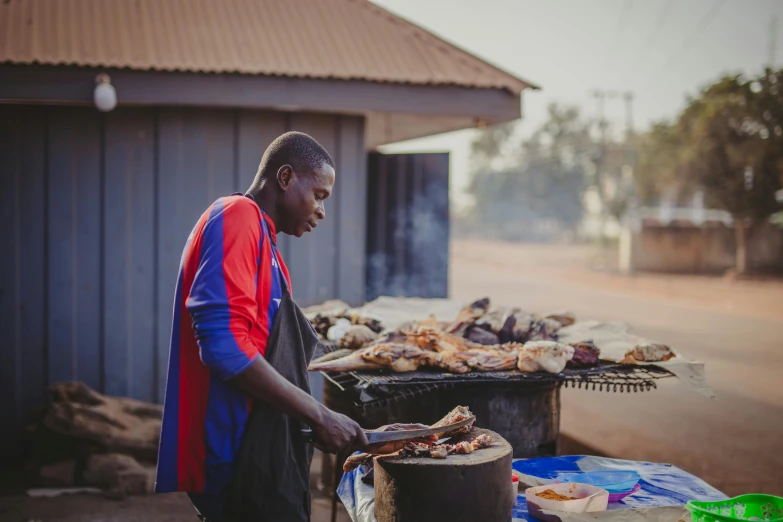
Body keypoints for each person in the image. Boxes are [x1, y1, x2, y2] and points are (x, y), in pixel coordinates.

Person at [154, 132, 369, 521]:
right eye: (319, 195)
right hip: (234, 455)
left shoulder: (268, 247)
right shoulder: (236, 216)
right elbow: (223, 348)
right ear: (285, 178)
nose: (322, 211)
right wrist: (319, 415)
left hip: (261, 450)